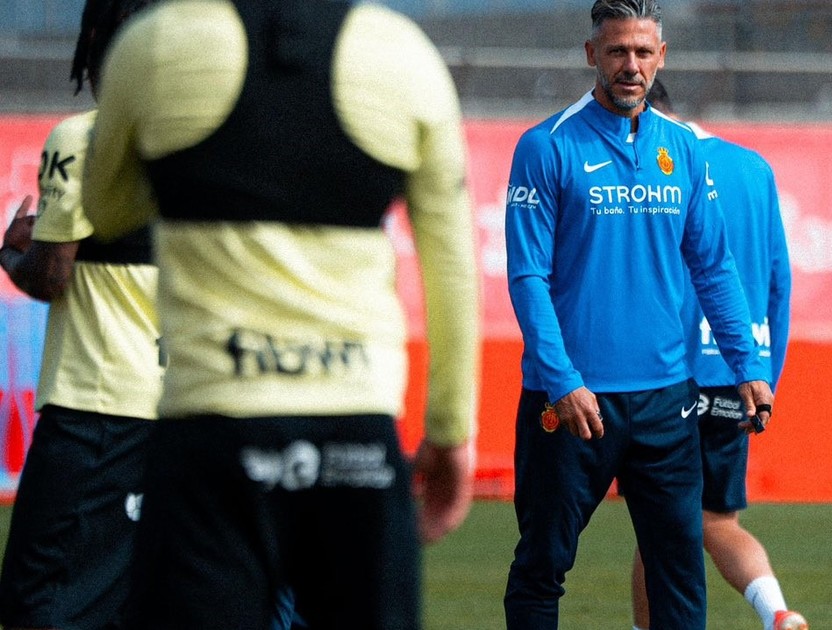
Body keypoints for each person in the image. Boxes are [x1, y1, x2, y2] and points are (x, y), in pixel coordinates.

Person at [80, 0, 481, 628]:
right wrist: (451, 430)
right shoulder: (403, 54)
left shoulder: (154, 44)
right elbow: (452, 264)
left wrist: (199, 180)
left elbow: (106, 210)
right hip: (355, 429)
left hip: (211, 430)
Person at [503, 1, 775, 628]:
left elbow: (714, 266)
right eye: (618, 51)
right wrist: (562, 380)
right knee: (542, 566)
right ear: (591, 54)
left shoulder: (682, 150)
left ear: (662, 57)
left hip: (666, 403)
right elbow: (527, 277)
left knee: (679, 578)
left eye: (643, 52)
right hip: (572, 400)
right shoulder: (546, 146)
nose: (631, 65)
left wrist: (748, 366)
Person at [0, 2, 163, 629]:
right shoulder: (204, 146)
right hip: (182, 412)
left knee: (39, 606)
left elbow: (51, 274)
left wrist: (12, 253)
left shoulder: (83, 139)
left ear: (95, 39)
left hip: (97, 411)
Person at [629, 80, 808, 630]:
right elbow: (779, 282)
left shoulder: (652, 166)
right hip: (736, 374)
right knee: (713, 519)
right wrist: (765, 377)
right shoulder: (753, 168)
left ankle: (771, 614)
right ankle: (777, 613)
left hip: (669, 375)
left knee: (662, 522)